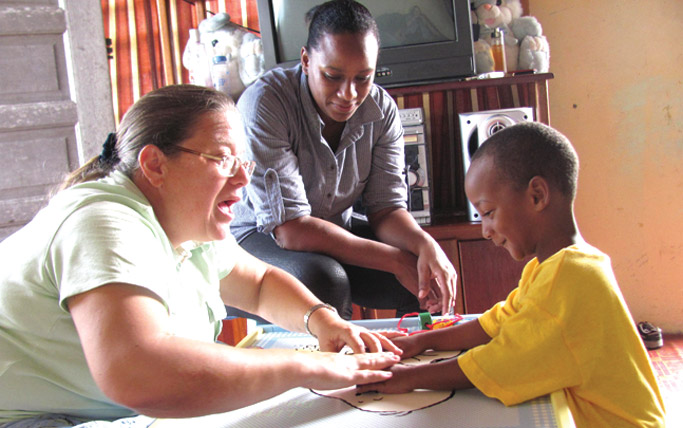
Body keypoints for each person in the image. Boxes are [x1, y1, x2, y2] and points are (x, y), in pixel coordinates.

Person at [0, 84, 404, 427]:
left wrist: (321, 321)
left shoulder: (186, 221)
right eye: (221, 158)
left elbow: (261, 285)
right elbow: (141, 373)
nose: (244, 177)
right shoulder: (102, 221)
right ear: (155, 165)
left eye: (242, 160)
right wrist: (306, 366)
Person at [357, 122, 666, 428]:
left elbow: (499, 363)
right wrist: (422, 341)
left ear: (536, 196)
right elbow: (495, 324)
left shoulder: (570, 277)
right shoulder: (556, 267)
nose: (485, 231)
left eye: (488, 212)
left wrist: (404, 378)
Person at [230, 0, 456, 320]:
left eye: (363, 78)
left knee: (423, 277)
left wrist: (424, 246)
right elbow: (291, 231)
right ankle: (347, 369)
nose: (349, 94)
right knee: (324, 280)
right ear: (306, 61)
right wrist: (393, 260)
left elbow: (387, 210)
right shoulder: (266, 103)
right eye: (333, 76)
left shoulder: (382, 110)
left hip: (333, 232)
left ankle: (417, 363)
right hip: (257, 236)